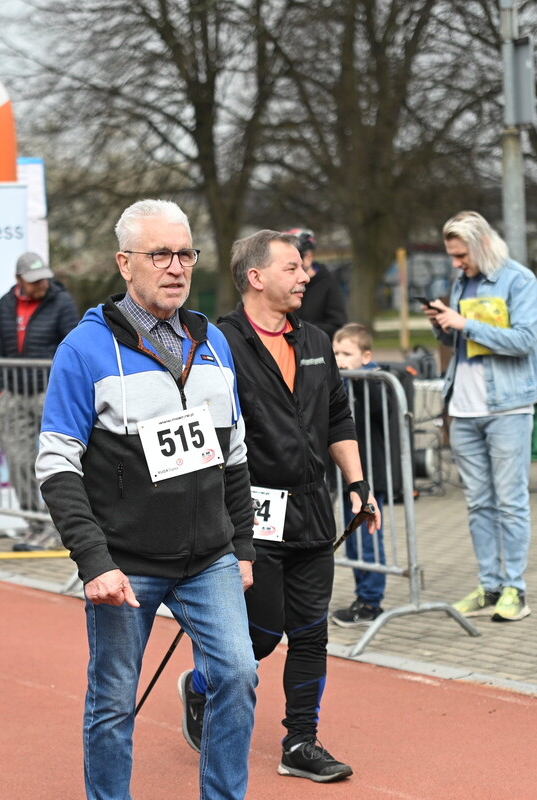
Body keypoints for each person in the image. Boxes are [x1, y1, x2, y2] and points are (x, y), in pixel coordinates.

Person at [36, 199, 258, 800]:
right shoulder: (83, 350)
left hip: (209, 556)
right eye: (160, 253)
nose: (176, 266)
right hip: (125, 561)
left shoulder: (213, 343)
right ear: (124, 263)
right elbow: (56, 464)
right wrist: (94, 562)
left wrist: (243, 548)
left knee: (239, 674)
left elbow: (233, 455)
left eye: (185, 253)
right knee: (113, 702)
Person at [179, 230, 377, 784]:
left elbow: (338, 415)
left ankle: (301, 741)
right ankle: (198, 687)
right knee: (260, 636)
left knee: (311, 631)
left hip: (313, 511)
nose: (305, 276)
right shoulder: (215, 343)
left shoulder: (314, 338)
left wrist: (358, 484)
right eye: (293, 268)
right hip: (247, 517)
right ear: (256, 277)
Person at [424, 211, 537, 623]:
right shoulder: (461, 283)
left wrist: (466, 323)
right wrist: (443, 325)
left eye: (461, 255)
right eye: (453, 256)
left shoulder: (519, 279)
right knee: (479, 503)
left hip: (507, 406)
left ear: (482, 245)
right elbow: (457, 340)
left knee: (510, 502)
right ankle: (489, 585)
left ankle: (516, 589)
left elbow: (525, 340)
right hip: (464, 406)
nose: (456, 263)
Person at [0, 252, 79, 551]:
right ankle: (35, 523)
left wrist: (63, 387)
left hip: (48, 392)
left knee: (56, 460)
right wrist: (1, 387)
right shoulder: (6, 303)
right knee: (18, 461)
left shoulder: (62, 302)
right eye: (33, 280)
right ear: (19, 281)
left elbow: (73, 347)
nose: (41, 284)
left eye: (43, 277)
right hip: (15, 394)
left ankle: (58, 527)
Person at [329, 324, 394, 627]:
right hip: (346, 477)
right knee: (353, 540)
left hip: (370, 476)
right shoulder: (337, 381)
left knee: (368, 541)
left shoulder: (375, 381)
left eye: (347, 353)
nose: (339, 359)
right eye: (336, 353)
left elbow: (384, 411)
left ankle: (371, 600)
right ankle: (362, 595)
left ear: (366, 356)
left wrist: (362, 378)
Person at [287, 228, 346, 338]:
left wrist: (298, 328)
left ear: (308, 257)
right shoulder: (284, 282)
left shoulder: (327, 283)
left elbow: (338, 326)